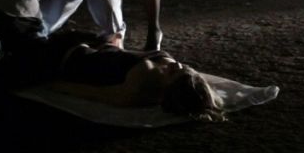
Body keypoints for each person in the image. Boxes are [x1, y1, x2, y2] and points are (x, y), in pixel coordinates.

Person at [50, 42, 225, 121]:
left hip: (64, 54)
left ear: (168, 88)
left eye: (173, 72)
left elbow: (101, 94)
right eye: (184, 67)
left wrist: (58, 86)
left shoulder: (141, 84)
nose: (177, 64)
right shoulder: (173, 77)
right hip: (95, 45)